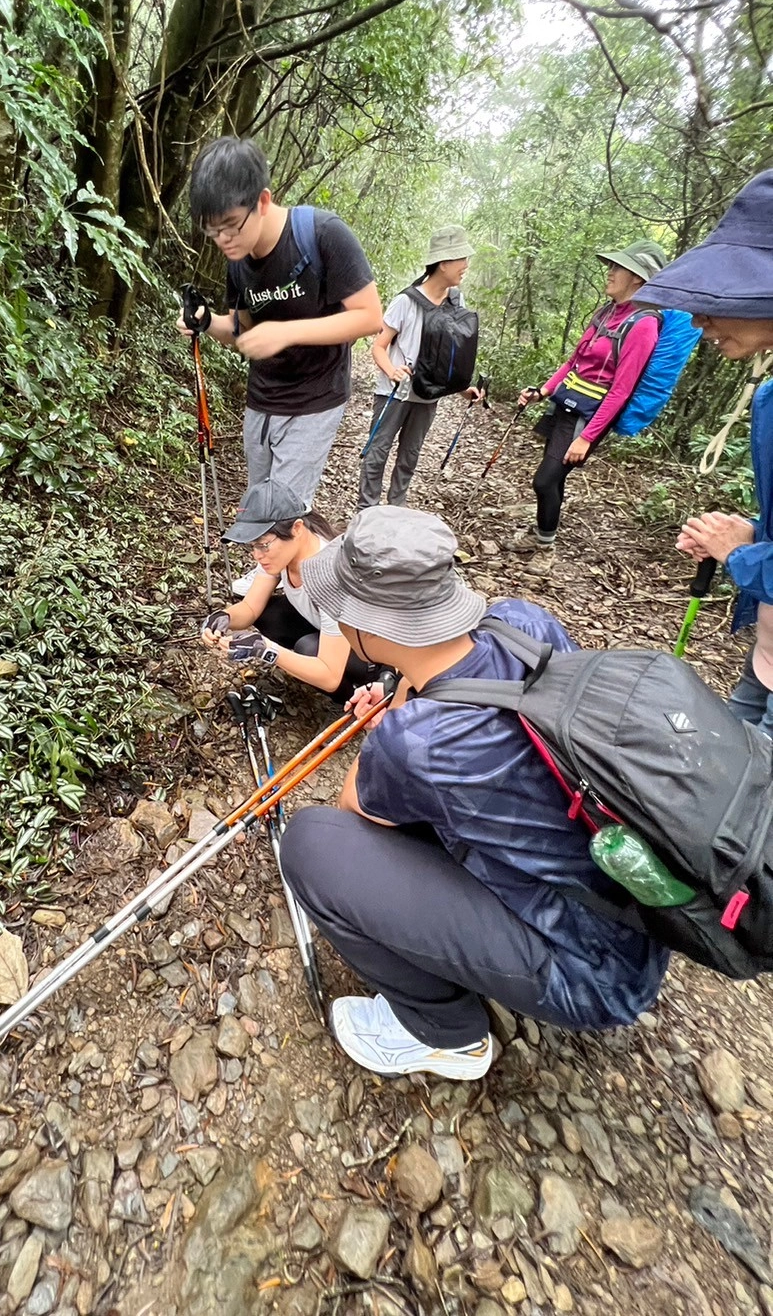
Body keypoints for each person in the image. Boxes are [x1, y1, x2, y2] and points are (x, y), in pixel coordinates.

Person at [276, 506, 668, 1080]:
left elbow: (354, 815)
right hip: (632, 913)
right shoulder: (521, 621)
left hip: (586, 972)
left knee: (314, 846)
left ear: (373, 626)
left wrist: (384, 730)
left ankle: (445, 1034)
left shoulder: (415, 744)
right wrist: (403, 694)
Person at [634, 170, 773, 736]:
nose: (698, 322)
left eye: (719, 300)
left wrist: (743, 554)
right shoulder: (767, 397)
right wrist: (747, 532)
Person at [182, 137, 382, 508]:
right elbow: (242, 332)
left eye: (230, 225)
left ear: (262, 201)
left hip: (315, 398)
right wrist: (207, 321)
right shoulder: (238, 260)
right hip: (262, 399)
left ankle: (299, 568)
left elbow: (370, 317)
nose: (223, 239)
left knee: (284, 513)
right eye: (212, 230)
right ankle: (273, 567)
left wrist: (286, 333)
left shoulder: (322, 234)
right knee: (261, 506)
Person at [511, 240, 667, 574]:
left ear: (638, 279)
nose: (609, 273)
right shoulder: (607, 313)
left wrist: (588, 437)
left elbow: (621, 391)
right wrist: (543, 391)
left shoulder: (643, 325)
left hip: (588, 417)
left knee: (544, 481)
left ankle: (545, 548)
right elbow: (574, 361)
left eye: (617, 268)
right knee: (553, 480)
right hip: (566, 405)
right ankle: (541, 532)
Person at [199, 480, 377, 701]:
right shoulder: (281, 553)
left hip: (372, 655)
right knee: (271, 613)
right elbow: (251, 608)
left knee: (308, 648)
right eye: (252, 546)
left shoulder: (330, 574)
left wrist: (267, 650)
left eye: (263, 545)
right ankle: (307, 666)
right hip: (329, 630)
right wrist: (224, 617)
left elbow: (330, 676)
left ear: (297, 528)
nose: (257, 555)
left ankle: (355, 700)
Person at [358, 225, 478, 510]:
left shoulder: (455, 302)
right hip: (394, 393)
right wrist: (392, 371)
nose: (466, 266)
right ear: (444, 262)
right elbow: (379, 346)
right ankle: (366, 511)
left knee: (410, 455)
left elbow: (447, 357)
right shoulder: (406, 301)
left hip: (428, 396)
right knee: (378, 451)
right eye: (462, 259)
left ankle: (396, 509)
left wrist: (462, 389)